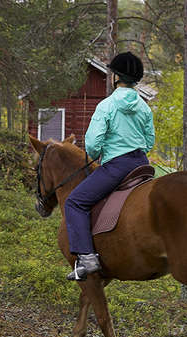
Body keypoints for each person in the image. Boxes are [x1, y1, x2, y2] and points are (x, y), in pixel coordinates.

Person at [65, 52, 155, 281]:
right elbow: (150, 141)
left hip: (117, 166)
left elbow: (93, 143)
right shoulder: (144, 108)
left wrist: (96, 155)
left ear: (116, 77)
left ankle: (86, 258)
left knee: (75, 202)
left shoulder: (107, 106)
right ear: (135, 79)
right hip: (141, 165)